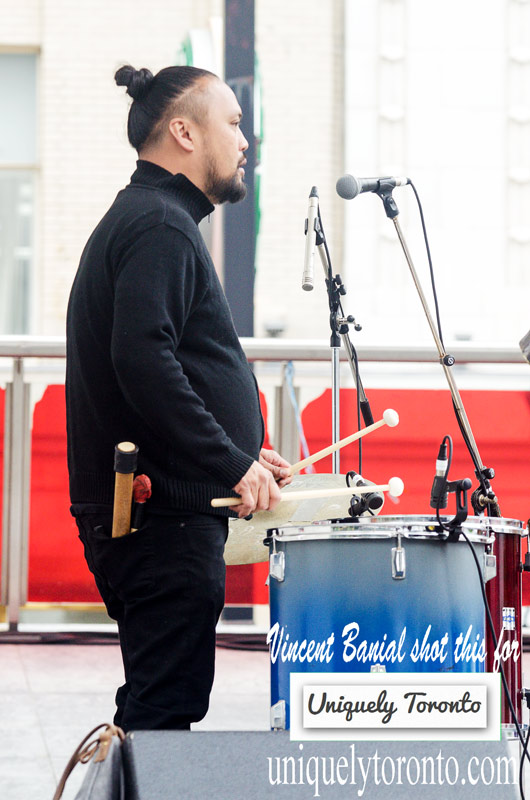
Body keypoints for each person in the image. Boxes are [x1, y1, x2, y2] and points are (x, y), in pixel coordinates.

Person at [66, 64, 291, 732]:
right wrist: (229, 462)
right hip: (160, 523)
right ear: (184, 131)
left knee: (156, 703)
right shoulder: (160, 226)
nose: (244, 139)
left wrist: (245, 453)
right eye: (233, 121)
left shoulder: (151, 219)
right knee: (164, 711)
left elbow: (164, 364)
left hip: (163, 514)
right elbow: (143, 359)